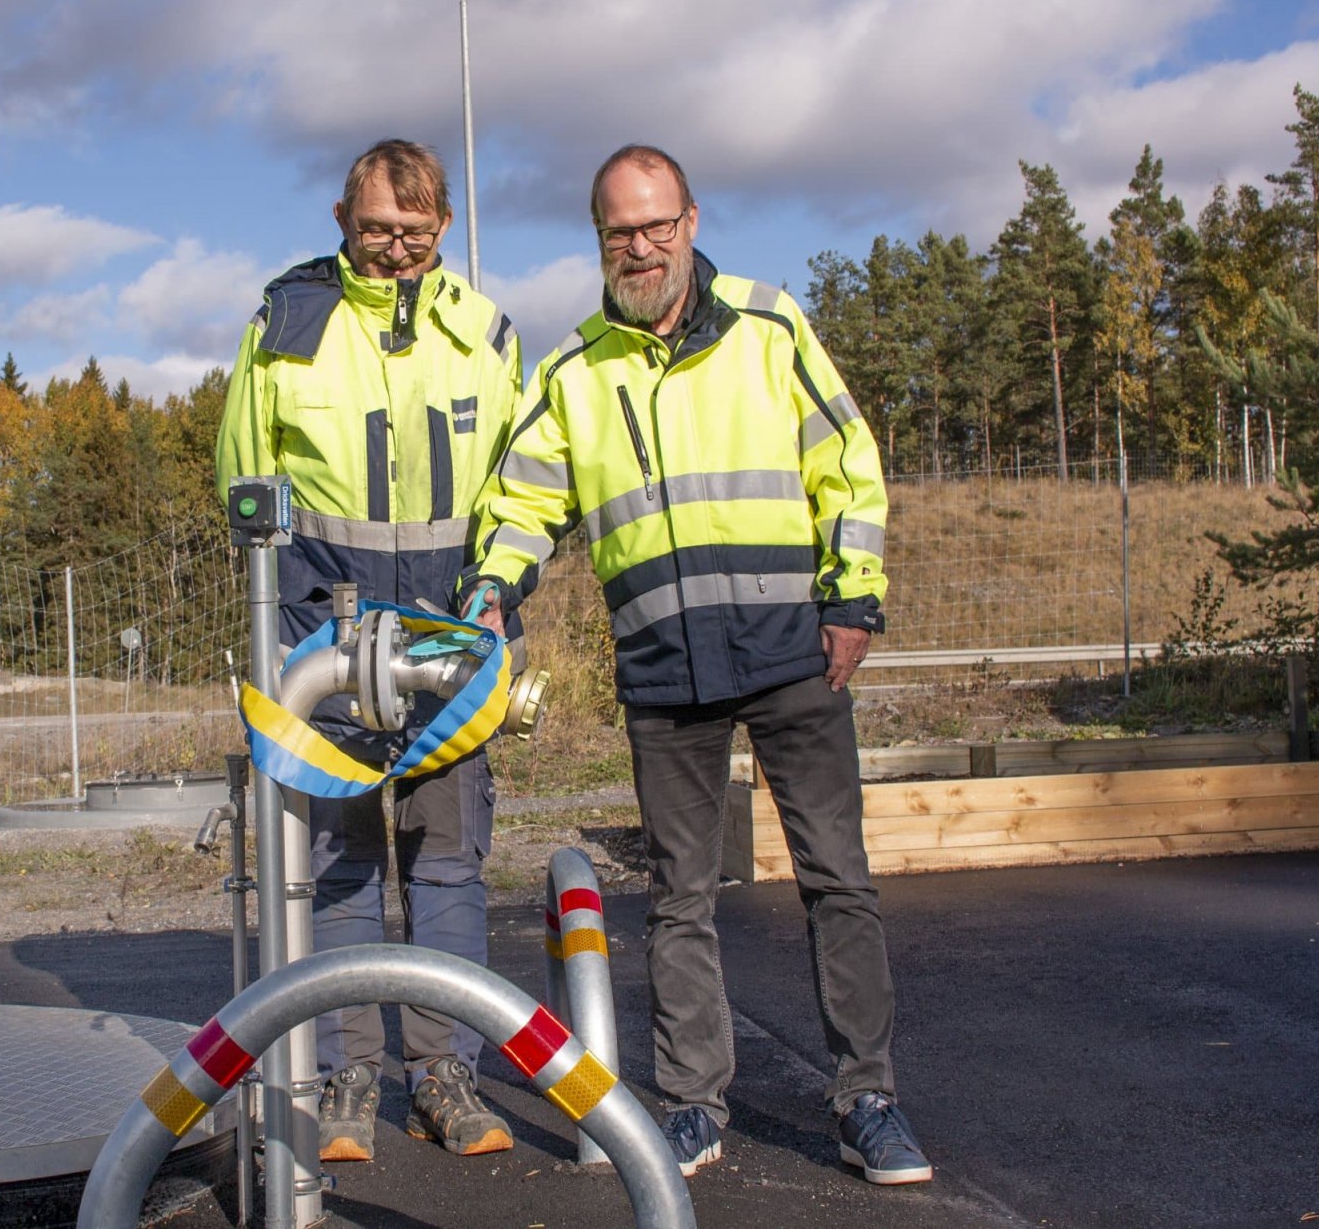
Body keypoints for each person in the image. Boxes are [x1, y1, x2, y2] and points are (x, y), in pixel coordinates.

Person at [463, 145, 932, 1185]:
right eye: (618, 232)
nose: (641, 247)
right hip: (664, 669)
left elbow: (845, 465)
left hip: (790, 655)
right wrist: (494, 590)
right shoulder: (572, 373)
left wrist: (852, 600)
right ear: (598, 242)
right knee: (678, 895)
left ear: (688, 220)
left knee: (835, 881)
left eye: (656, 225)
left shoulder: (770, 327)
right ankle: (690, 1105)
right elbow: (523, 506)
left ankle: (867, 1099)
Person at [215, 139, 525, 1162]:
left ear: (443, 225)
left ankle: (444, 1079)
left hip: (450, 647)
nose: (396, 248)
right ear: (340, 220)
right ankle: (348, 1078)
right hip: (328, 645)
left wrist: (487, 602)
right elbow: (244, 487)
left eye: (416, 230)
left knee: (444, 866)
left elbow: (516, 491)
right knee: (342, 865)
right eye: (376, 228)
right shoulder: (287, 326)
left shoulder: (485, 334)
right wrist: (297, 634)